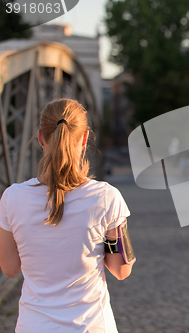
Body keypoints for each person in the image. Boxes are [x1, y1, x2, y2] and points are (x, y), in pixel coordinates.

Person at [0, 99, 135, 332]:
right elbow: (121, 270)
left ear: (41, 138)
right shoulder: (106, 197)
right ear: (84, 139)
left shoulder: (12, 198)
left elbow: (10, 268)